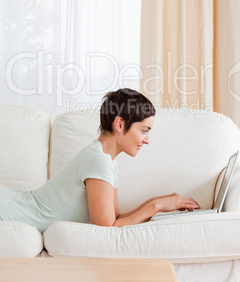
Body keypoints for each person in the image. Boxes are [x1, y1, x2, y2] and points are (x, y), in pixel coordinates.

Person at [0, 88, 200, 233]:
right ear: (120, 124)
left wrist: (159, 201)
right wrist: (156, 207)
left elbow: (115, 218)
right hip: (11, 210)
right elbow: (106, 229)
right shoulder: (98, 161)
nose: (147, 140)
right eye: (144, 130)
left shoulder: (107, 161)